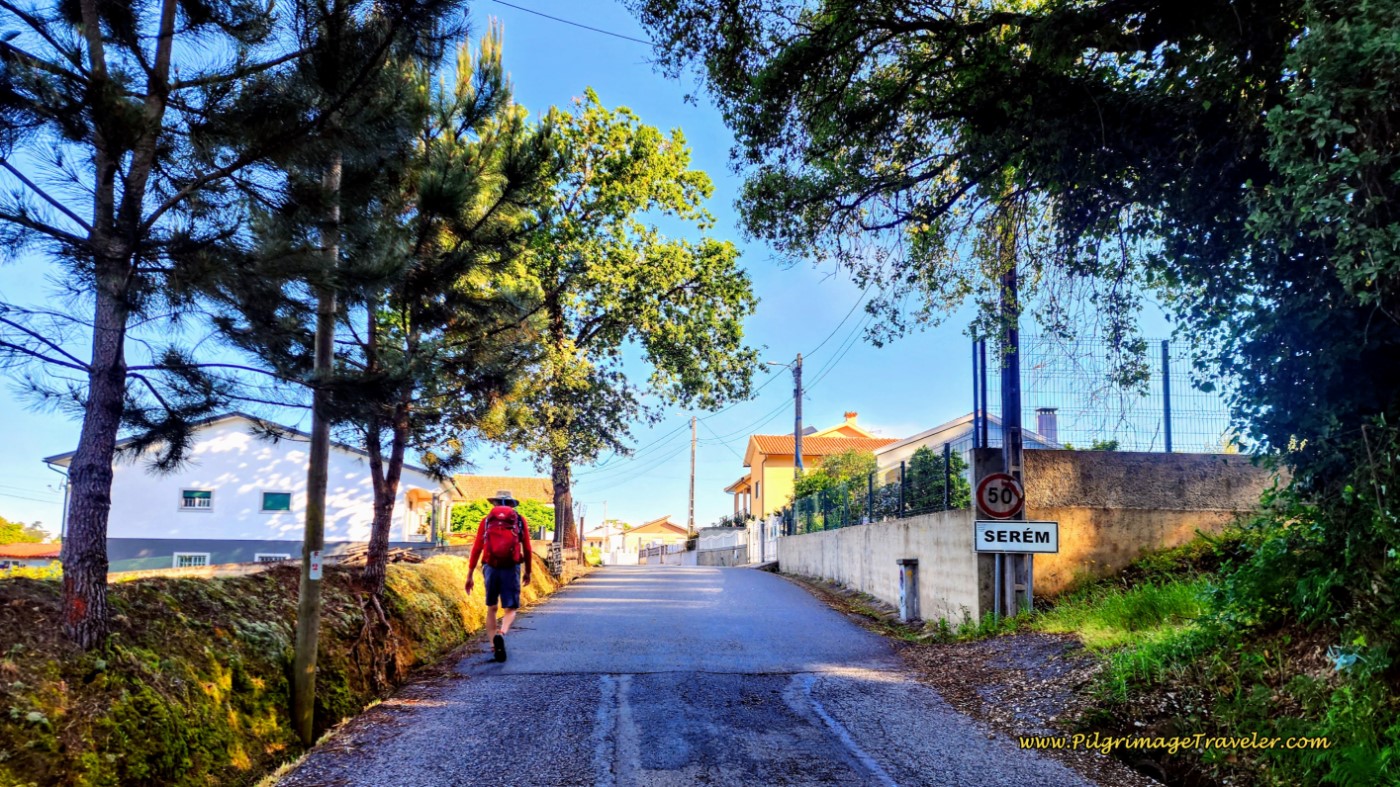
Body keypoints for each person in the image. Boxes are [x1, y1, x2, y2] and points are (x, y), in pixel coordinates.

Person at [466, 490, 533, 662]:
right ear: (512, 504)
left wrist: (470, 574)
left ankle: (493, 646)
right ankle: (502, 633)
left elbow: (477, 548)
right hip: (511, 567)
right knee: (510, 608)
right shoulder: (519, 520)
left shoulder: (487, 521)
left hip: (490, 566)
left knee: (492, 607)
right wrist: (528, 571)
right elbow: (527, 548)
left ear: (494, 503)